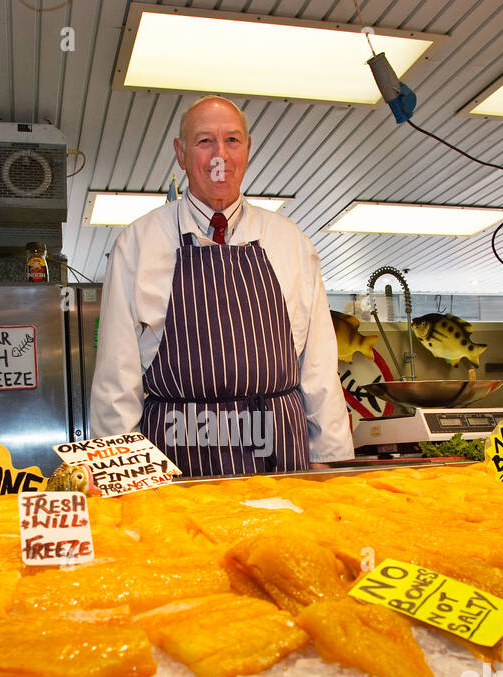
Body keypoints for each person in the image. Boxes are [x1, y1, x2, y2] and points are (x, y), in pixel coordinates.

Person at [88, 94, 352, 477]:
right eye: (204, 141)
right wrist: (115, 473)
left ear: (247, 149)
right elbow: (117, 373)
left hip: (278, 448)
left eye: (232, 140)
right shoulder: (138, 243)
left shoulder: (290, 240)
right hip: (178, 450)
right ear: (180, 153)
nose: (219, 156)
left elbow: (318, 363)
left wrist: (327, 453)